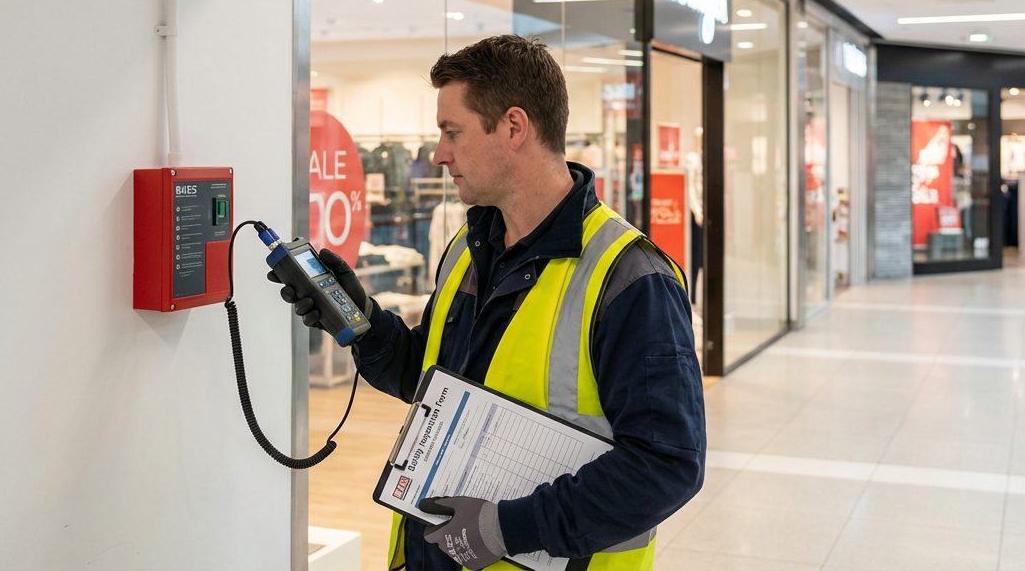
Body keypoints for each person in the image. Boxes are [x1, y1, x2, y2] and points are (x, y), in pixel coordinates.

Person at [272, 35, 706, 570]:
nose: (438, 154)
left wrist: (506, 529)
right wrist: (363, 322)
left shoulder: (629, 278)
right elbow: (429, 380)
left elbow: (667, 464)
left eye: (452, 132)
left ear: (514, 127)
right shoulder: (467, 249)